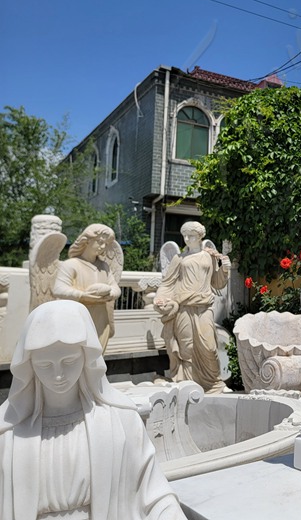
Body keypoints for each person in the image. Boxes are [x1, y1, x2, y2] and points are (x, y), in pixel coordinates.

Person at [0, 300, 186, 519]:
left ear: (86, 357)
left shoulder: (122, 420)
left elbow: (154, 495)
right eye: (45, 365)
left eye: (69, 361)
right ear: (29, 365)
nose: (58, 374)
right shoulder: (8, 432)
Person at [154, 221, 230, 394]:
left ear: (200, 236)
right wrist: (160, 298)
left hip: (204, 307)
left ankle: (214, 383)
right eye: (185, 236)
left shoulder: (209, 257)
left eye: (192, 236)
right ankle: (187, 382)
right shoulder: (178, 259)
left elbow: (216, 283)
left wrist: (224, 270)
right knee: (186, 347)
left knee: (209, 346)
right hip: (183, 308)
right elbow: (167, 283)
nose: (187, 239)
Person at [52, 224, 121, 351]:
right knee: (77, 358)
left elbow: (116, 288)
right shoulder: (71, 264)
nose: (103, 247)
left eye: (105, 244)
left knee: (96, 360)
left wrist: (109, 294)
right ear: (87, 240)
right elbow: (58, 289)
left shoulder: (104, 266)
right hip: (77, 317)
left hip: (101, 319)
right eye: (100, 242)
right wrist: (83, 296)